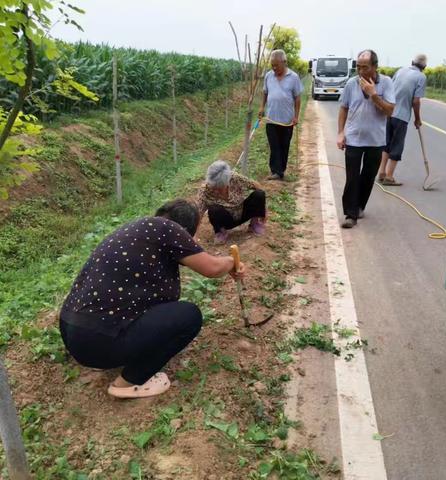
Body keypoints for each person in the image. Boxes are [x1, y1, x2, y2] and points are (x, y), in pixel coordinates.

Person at [59, 199, 245, 399]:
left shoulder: (136, 232)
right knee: (189, 316)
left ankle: (109, 353)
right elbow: (212, 268)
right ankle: (128, 382)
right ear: (188, 230)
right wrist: (231, 262)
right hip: (98, 342)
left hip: (73, 335)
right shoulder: (167, 229)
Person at [337, 49, 396, 228]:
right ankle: (350, 214)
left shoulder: (386, 83)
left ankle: (360, 206)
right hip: (354, 138)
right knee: (352, 177)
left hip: (376, 140)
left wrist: (373, 94)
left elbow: (389, 110)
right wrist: (340, 133)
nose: (361, 71)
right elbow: (344, 108)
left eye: (365, 67)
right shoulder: (351, 84)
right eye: (358, 67)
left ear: (375, 67)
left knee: (368, 176)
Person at [378, 54, 428, 186]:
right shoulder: (421, 77)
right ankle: (389, 177)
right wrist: (417, 119)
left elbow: (389, 88)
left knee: (386, 143)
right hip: (401, 116)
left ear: (412, 62)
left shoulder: (401, 70)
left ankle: (381, 173)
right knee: (397, 145)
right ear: (424, 67)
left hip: (389, 112)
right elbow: (416, 101)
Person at [258, 49, 303, 180]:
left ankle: (281, 170)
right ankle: (275, 171)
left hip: (287, 121)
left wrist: (296, 116)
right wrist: (262, 107)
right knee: (274, 145)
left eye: (276, 65)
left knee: (284, 146)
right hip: (271, 119)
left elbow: (297, 98)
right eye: (272, 65)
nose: (274, 68)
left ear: (284, 62)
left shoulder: (293, 77)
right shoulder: (268, 76)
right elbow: (265, 92)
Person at [196, 160, 266, 244]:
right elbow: (199, 212)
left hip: (242, 212)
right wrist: (194, 234)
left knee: (259, 194)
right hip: (226, 220)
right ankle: (221, 232)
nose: (217, 190)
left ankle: (254, 224)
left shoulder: (234, 177)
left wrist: (264, 210)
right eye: (215, 187)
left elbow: (256, 185)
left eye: (220, 187)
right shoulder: (204, 190)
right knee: (213, 209)